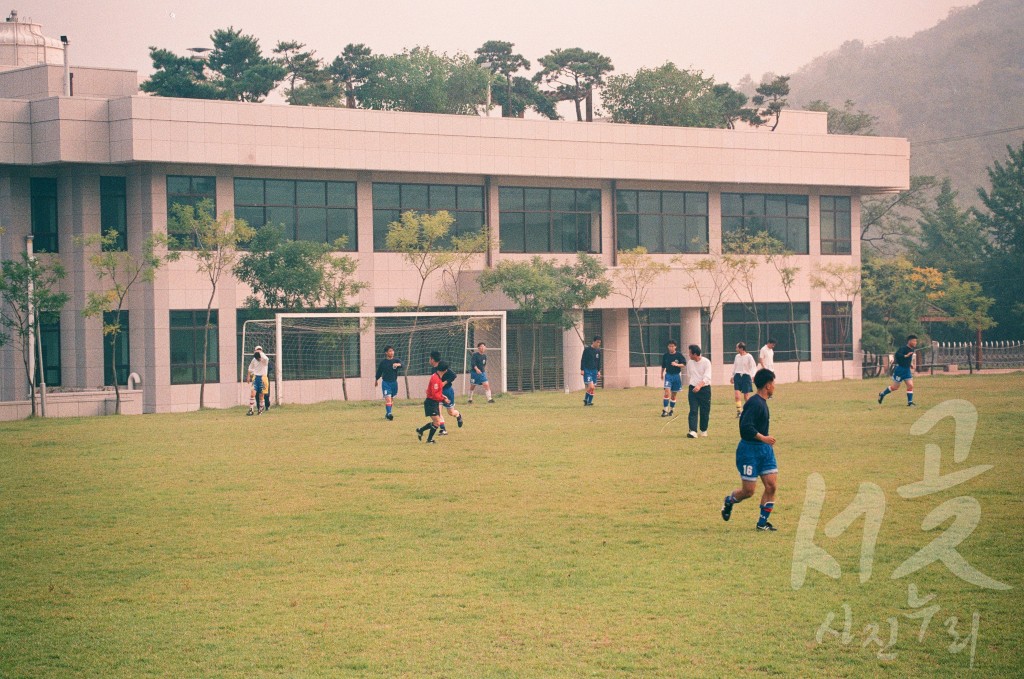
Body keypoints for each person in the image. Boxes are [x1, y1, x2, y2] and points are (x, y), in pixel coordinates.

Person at [721, 368, 779, 531]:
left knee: (771, 486)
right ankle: (729, 501)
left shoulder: (763, 402)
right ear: (768, 385)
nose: (774, 386)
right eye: (773, 383)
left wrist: (765, 442)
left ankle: (762, 523)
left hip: (764, 451)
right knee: (748, 491)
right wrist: (764, 438)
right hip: (749, 451)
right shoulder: (754, 403)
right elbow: (745, 428)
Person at [878, 335, 919, 407]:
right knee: (895, 387)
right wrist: (905, 356)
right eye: (914, 341)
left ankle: (910, 402)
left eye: (916, 341)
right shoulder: (903, 348)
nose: (916, 342)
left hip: (907, 370)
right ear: (909, 341)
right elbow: (897, 355)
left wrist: (910, 364)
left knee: (910, 385)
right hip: (900, 370)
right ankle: (882, 394)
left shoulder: (912, 349)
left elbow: (909, 358)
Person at [429, 351, 463, 434]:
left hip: (447, 391)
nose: (429, 360)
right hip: (438, 392)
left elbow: (454, 375)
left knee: (451, 412)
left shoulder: (443, 366)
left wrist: (444, 383)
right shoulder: (433, 369)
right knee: (438, 411)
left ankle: (458, 415)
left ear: (432, 359)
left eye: (429, 358)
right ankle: (443, 429)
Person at [415, 364, 449, 444]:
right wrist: (443, 399)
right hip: (431, 402)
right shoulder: (435, 379)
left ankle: (420, 430)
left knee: (436, 422)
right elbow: (434, 394)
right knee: (437, 422)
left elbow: (437, 392)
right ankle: (429, 440)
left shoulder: (437, 377)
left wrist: (443, 397)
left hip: (434, 402)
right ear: (445, 370)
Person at [686, 344, 712, 438]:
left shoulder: (706, 362)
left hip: (704, 389)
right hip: (692, 389)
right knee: (693, 410)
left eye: (690, 353)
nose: (689, 355)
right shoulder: (690, 363)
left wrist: (699, 386)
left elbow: (707, 377)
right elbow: (690, 375)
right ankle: (693, 431)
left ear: (695, 354)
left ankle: (703, 430)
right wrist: (695, 386)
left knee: (704, 411)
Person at [374, 345, 403, 420]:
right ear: (386, 353)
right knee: (388, 399)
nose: (392, 352)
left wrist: (398, 364)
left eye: (392, 351)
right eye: (390, 351)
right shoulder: (383, 362)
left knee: (391, 399)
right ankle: (389, 414)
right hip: (386, 383)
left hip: (394, 383)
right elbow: (379, 372)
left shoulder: (396, 360)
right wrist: (376, 380)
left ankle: (387, 413)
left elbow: (402, 364)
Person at [660, 340, 686, 417]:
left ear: (675, 347)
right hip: (668, 375)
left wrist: (677, 364)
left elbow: (684, 364)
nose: (671, 348)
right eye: (669, 346)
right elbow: (663, 366)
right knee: (667, 392)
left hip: (676, 376)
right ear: (668, 347)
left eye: (672, 346)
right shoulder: (665, 355)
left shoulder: (679, 355)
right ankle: (665, 410)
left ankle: (671, 410)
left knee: (674, 395)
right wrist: (661, 374)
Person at [731, 342, 757, 418]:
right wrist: (732, 376)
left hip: (746, 377)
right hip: (738, 376)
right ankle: (739, 411)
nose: (736, 349)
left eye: (737, 347)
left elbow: (753, 367)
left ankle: (749, 411)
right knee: (737, 395)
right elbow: (735, 366)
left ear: (741, 348)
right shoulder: (737, 356)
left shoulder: (749, 356)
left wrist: (753, 376)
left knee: (746, 396)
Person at [246, 345, 270, 416]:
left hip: (263, 378)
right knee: (252, 394)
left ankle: (260, 410)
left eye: (260, 350)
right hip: (256, 378)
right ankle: (251, 410)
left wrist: (260, 353)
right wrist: (248, 376)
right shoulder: (254, 360)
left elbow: (266, 359)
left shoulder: (264, 360)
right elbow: (250, 367)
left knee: (261, 395)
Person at [580, 336, 602, 406]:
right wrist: (582, 369)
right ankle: (586, 399)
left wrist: (598, 371)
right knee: (591, 386)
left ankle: (588, 401)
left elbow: (598, 362)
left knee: (593, 388)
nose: (598, 344)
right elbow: (583, 360)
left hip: (594, 371)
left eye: (599, 342)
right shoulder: (587, 350)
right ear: (593, 342)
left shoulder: (598, 351)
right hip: (587, 370)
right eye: (597, 342)